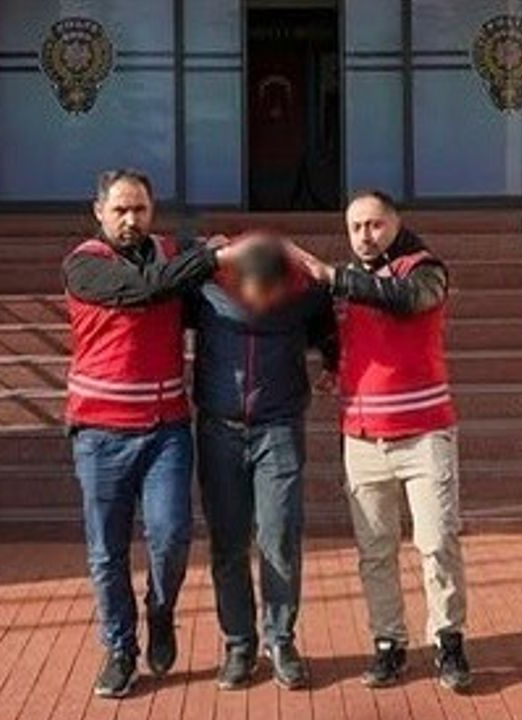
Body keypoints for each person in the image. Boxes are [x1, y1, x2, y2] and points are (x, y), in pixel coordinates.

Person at [63, 168, 257, 698]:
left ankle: (161, 609)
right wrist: (207, 257)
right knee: (107, 552)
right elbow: (145, 289)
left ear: (152, 211)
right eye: (120, 210)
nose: (130, 220)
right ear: (98, 212)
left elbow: (214, 283)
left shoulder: (173, 253)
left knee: (171, 536)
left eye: (140, 209)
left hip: (166, 429)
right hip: (99, 434)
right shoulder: (84, 264)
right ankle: (120, 650)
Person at [287, 190, 472, 692]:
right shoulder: (346, 282)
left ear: (395, 223)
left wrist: (334, 277)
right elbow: (335, 333)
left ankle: (449, 641)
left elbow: (407, 301)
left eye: (374, 225)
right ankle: (389, 643)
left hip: (424, 433)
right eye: (355, 227)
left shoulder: (424, 269)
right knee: (375, 550)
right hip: (363, 437)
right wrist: (332, 363)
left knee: (437, 543)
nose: (365, 235)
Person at [187, 233, 338, 690]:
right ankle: (239, 644)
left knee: (280, 535)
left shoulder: (305, 295)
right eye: (252, 292)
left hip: (279, 427)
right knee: (228, 542)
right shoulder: (204, 289)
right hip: (220, 428)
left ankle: (281, 640)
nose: (261, 303)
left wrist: (333, 361)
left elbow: (327, 326)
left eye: (271, 294)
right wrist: (204, 250)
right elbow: (162, 276)